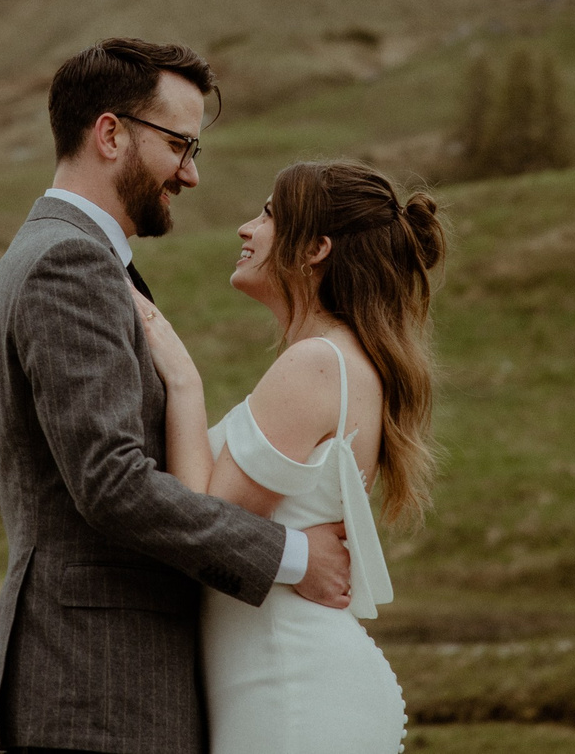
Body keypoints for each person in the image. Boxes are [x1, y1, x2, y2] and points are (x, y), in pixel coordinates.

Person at [0, 38, 355, 753]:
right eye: (180, 145)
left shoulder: (61, 253)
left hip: (95, 689)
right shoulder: (69, 263)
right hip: (98, 692)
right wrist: (295, 558)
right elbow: (111, 483)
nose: (191, 175)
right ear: (111, 133)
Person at [135, 159, 446, 754]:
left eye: (270, 215)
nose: (245, 229)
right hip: (284, 681)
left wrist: (183, 380)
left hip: (291, 687)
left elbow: (203, 523)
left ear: (316, 249)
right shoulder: (343, 359)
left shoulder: (317, 363)